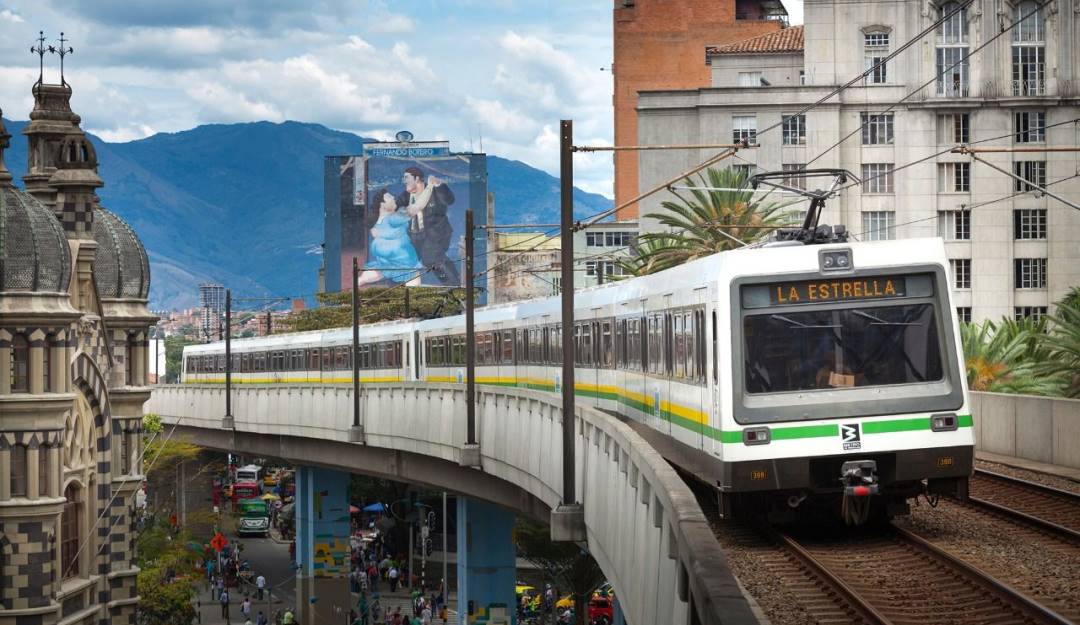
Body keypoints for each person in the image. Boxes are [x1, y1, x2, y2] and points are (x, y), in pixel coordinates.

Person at [398, 168, 460, 286]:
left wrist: (439, 185)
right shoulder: (406, 196)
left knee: (432, 258)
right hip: (414, 235)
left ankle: (454, 285)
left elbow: (450, 200)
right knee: (405, 259)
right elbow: (395, 208)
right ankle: (401, 291)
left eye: (406, 177)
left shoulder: (434, 191)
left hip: (435, 234)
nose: (404, 181)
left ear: (416, 179)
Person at [358, 188, 424, 287]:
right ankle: (411, 297)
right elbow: (418, 206)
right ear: (382, 205)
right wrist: (430, 187)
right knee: (412, 272)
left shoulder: (377, 221)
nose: (393, 197)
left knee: (383, 268)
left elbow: (375, 232)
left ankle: (359, 281)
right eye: (389, 197)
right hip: (400, 252)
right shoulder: (394, 218)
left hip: (380, 249)